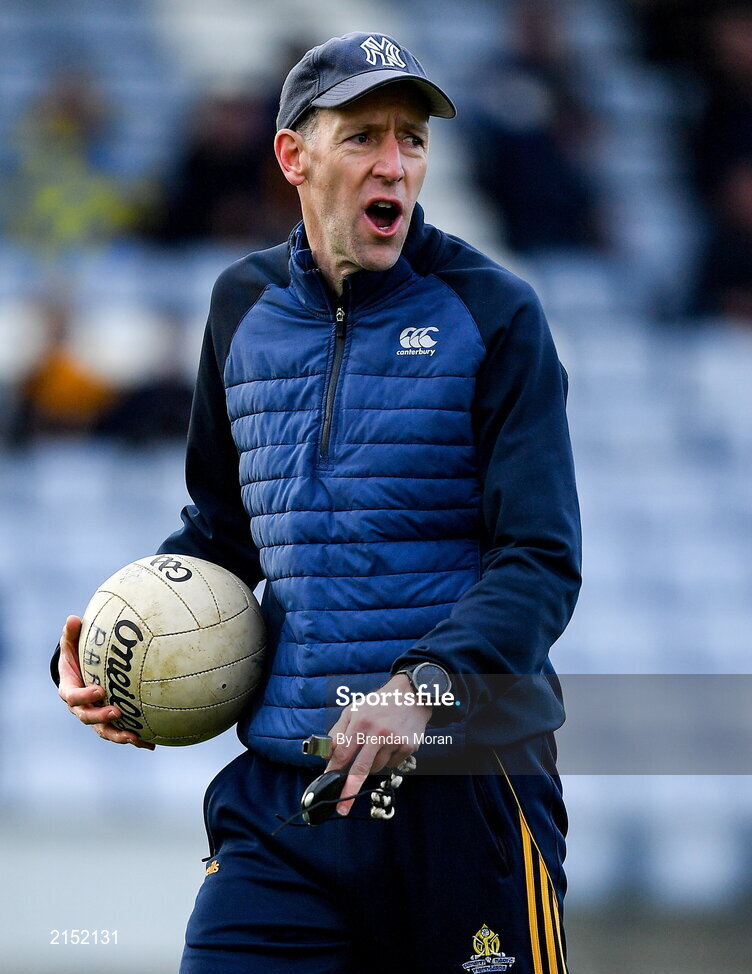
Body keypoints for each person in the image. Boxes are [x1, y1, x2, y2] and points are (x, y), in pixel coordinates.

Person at [54, 32, 581, 974]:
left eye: (412, 138)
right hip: (285, 802)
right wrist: (118, 646)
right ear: (294, 155)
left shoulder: (496, 312)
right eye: (365, 135)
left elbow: (539, 560)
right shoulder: (240, 305)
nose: (396, 163)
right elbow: (222, 530)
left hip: (467, 793)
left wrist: (419, 687)